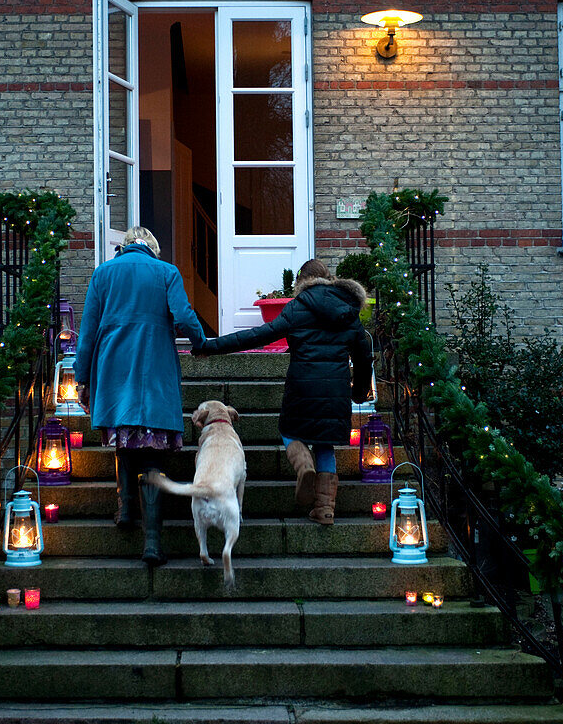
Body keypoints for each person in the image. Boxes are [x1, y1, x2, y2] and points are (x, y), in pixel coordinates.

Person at [194, 260, 372, 525]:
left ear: (301, 282)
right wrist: (359, 391)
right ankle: (325, 509)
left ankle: (303, 467)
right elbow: (364, 354)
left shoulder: (297, 307)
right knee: (325, 445)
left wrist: (211, 346)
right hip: (335, 391)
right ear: (328, 278)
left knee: (289, 431)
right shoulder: (348, 311)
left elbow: (256, 336)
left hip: (302, 386)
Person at [74, 226, 205, 565]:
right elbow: (184, 315)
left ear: (125, 246)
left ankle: (125, 509)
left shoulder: (103, 274)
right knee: (151, 456)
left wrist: (83, 379)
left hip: (113, 372)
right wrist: (201, 342)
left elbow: (86, 332)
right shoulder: (166, 272)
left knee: (124, 438)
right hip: (154, 372)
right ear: (152, 247)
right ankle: (152, 543)